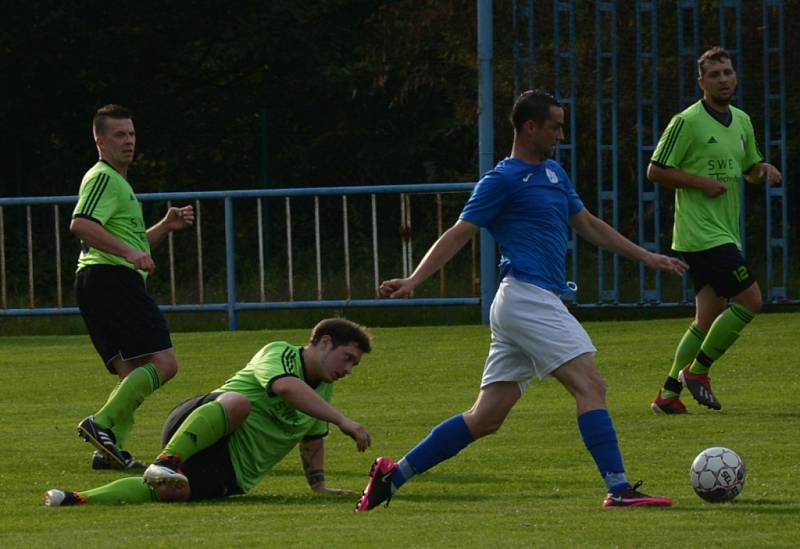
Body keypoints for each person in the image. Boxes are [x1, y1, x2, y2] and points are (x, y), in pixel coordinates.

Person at [355, 89, 687, 512]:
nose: (561, 135)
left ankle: (393, 474)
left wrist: (647, 257)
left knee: (486, 418)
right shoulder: (502, 179)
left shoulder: (553, 174)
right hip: (527, 297)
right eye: (555, 126)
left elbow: (587, 224)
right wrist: (415, 279)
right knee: (591, 385)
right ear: (530, 127)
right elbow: (460, 232)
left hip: (528, 301)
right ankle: (619, 488)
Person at [44, 318, 373, 506]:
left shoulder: (323, 394)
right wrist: (344, 420)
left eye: (355, 365)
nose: (350, 369)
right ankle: (166, 461)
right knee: (238, 403)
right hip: (200, 425)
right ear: (325, 342)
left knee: (173, 492)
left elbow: (312, 440)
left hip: (231, 471)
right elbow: (285, 387)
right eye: (348, 358)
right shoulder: (281, 353)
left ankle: (74, 499)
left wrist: (319, 486)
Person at [649, 47, 782, 414]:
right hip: (700, 234)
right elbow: (656, 169)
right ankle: (700, 371)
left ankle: (669, 393)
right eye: (715, 74)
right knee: (751, 300)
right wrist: (699, 182)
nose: (723, 79)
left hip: (723, 232)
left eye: (728, 72)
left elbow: (749, 167)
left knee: (705, 317)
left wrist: (763, 170)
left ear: (735, 76)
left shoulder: (741, 120)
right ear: (701, 82)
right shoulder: (686, 121)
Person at [71, 104, 195, 470]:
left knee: (134, 370)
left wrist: (164, 227)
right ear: (100, 142)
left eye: (132, 134)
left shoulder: (119, 182)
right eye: (119, 135)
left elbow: (133, 245)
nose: (128, 141)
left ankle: (111, 450)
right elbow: (80, 223)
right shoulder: (103, 177)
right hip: (110, 279)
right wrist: (128, 252)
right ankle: (101, 424)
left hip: (105, 280)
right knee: (165, 363)